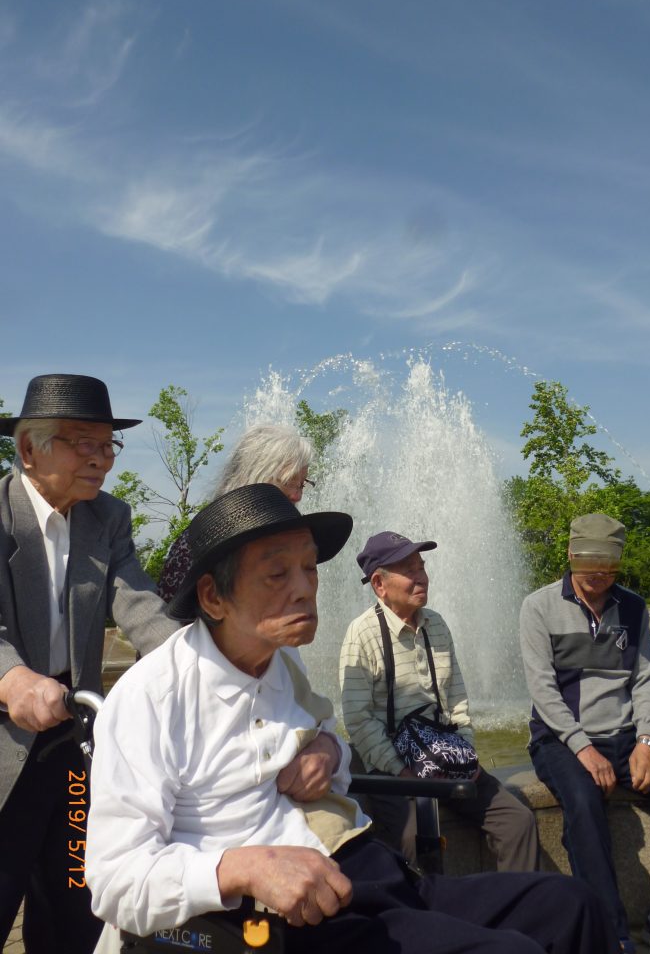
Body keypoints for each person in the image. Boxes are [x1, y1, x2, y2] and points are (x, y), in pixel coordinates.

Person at [85, 485, 617, 954]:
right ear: (212, 596)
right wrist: (242, 868)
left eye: (310, 567)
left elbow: (331, 740)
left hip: (368, 871)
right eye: (277, 573)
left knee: (571, 903)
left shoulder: (282, 659)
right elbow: (115, 883)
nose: (305, 588)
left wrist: (329, 751)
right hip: (290, 921)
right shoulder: (151, 698)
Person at [0, 373, 178, 954]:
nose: (102, 459)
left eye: (109, 445)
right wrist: (12, 677)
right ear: (29, 450)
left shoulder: (107, 518)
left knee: (77, 905)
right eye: (84, 443)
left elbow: (142, 608)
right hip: (5, 737)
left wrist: (209, 670)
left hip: (73, 739)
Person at [519, 513, 650, 954]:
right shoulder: (538, 606)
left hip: (626, 737)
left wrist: (647, 741)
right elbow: (543, 690)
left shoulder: (632, 606)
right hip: (560, 740)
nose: (599, 573)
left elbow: (646, 678)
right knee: (583, 801)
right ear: (572, 555)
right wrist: (584, 750)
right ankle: (610, 931)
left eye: (608, 564)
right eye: (590, 562)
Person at [339, 531, 539, 872]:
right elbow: (358, 721)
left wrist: (465, 756)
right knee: (415, 839)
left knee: (517, 821)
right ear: (379, 583)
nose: (421, 577)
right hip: (388, 763)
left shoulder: (436, 624)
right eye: (408, 569)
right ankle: (428, 918)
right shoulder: (363, 634)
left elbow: (456, 701)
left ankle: (518, 911)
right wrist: (402, 771)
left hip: (439, 751)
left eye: (421, 566)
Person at [157, 423, 314, 601]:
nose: (297, 495)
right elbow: (169, 620)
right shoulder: (203, 540)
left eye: (301, 484)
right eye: (288, 481)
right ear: (254, 475)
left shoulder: (284, 541)